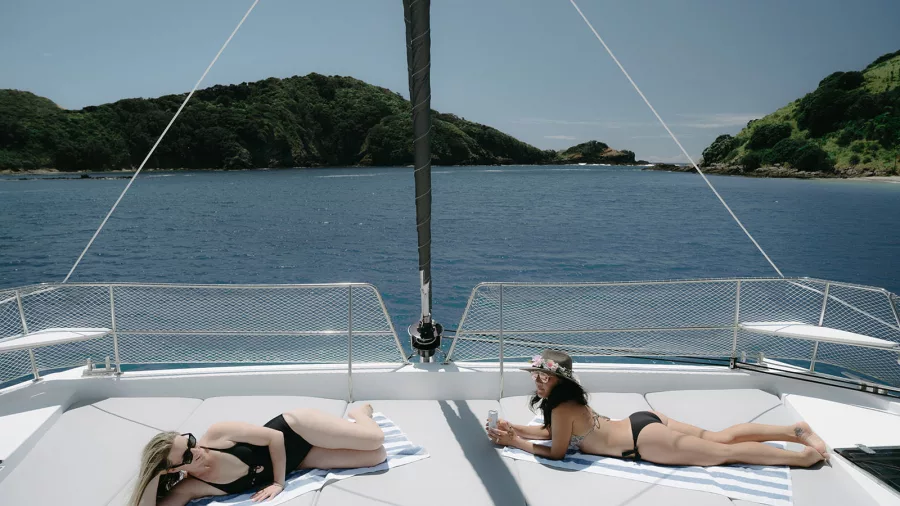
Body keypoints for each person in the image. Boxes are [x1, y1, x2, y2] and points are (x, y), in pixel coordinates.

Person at [486, 350, 828, 467]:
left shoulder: (560, 408)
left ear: (559, 380)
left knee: (723, 452)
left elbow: (557, 452)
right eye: (537, 374)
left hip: (643, 441)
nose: (538, 380)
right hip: (641, 422)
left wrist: (513, 442)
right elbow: (551, 433)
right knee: (719, 437)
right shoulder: (565, 405)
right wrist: (516, 428)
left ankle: (805, 457)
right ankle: (792, 431)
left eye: (544, 375)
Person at [132, 403, 386, 506]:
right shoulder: (192, 486)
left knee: (376, 439)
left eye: (190, 442)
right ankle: (343, 432)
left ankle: (360, 415)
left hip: (297, 428)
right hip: (298, 461)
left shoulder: (217, 435)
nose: (195, 451)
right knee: (376, 456)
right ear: (173, 469)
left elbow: (274, 437)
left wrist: (278, 483)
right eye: (186, 457)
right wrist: (155, 472)